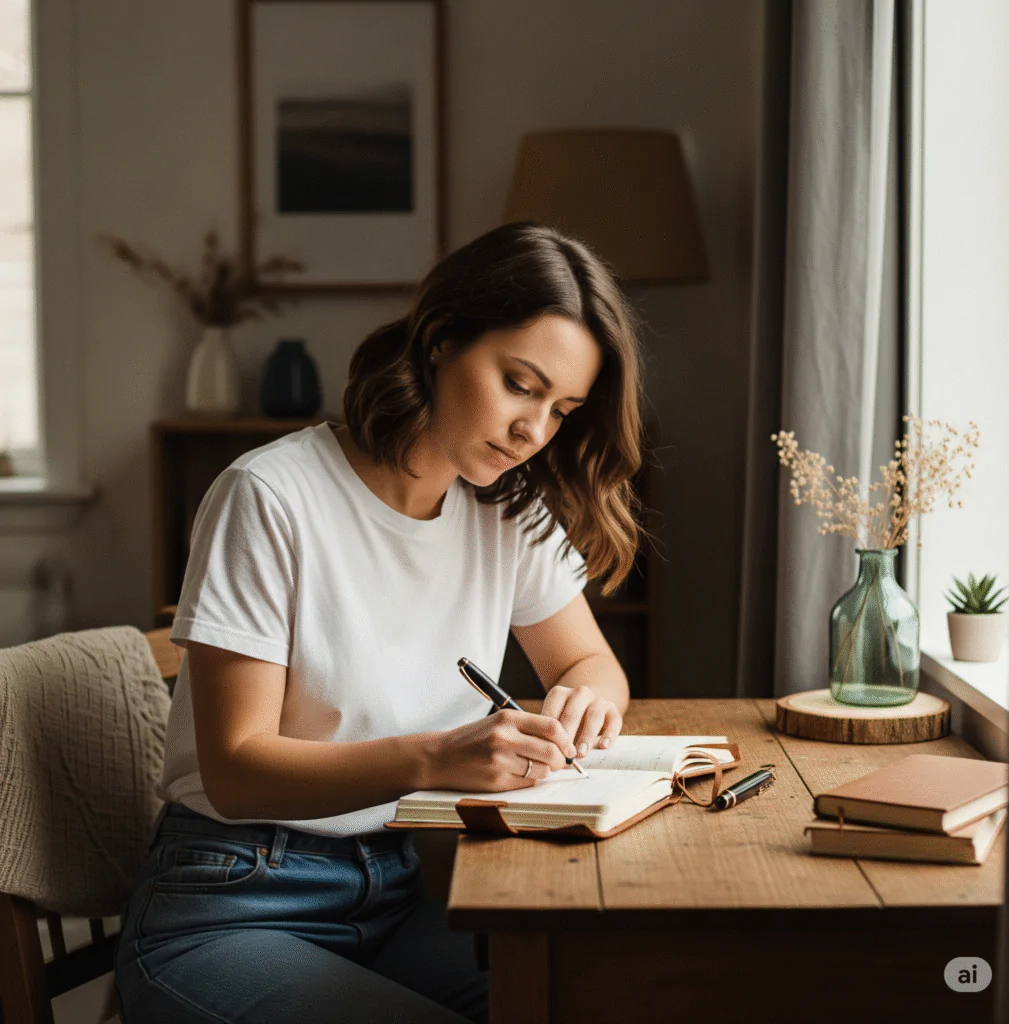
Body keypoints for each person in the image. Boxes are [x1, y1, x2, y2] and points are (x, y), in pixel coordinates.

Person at [114, 221, 650, 1024]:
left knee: (590, 995)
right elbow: (234, 767)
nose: (534, 431)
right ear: (439, 341)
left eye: (563, 410)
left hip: (393, 893)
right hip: (230, 905)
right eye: (520, 385)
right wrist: (436, 755)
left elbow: (590, 666)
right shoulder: (269, 496)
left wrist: (587, 699)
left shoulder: (506, 509)